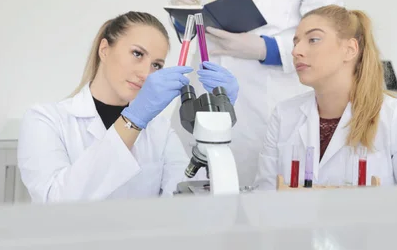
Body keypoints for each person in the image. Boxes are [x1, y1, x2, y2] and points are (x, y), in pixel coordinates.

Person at [170, 0, 344, 186]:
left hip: (264, 107)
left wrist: (264, 48)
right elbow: (183, 20)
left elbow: (329, 35)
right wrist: (181, 14)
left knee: (256, 205)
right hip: (200, 98)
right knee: (185, 196)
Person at [17, 11, 239, 203]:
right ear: (104, 49)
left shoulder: (159, 130)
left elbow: (186, 198)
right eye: (137, 54)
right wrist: (133, 120)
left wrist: (212, 129)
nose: (145, 73)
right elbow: (56, 203)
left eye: (156, 65)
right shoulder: (45, 120)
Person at [254, 5, 397, 189]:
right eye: (295, 42)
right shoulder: (284, 115)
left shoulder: (394, 117)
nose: (296, 51)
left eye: (313, 40)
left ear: (350, 50)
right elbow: (265, 197)